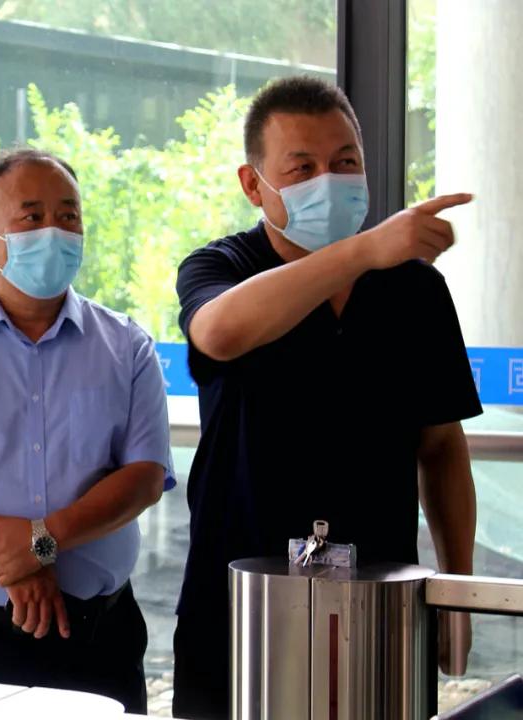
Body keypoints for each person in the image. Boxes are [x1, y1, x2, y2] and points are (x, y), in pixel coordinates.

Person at [171, 76, 481, 719]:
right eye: (303, 169)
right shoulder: (221, 268)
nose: (329, 182)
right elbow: (219, 333)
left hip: (381, 606)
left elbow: (442, 446)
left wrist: (458, 591)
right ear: (253, 184)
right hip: (238, 609)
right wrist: (362, 251)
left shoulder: (413, 290)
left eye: (345, 163)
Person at [0, 148, 174, 714]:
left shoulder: (126, 345)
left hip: (97, 638)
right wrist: (13, 566)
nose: (54, 231)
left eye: (68, 216)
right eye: (32, 216)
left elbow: (144, 476)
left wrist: (41, 542)